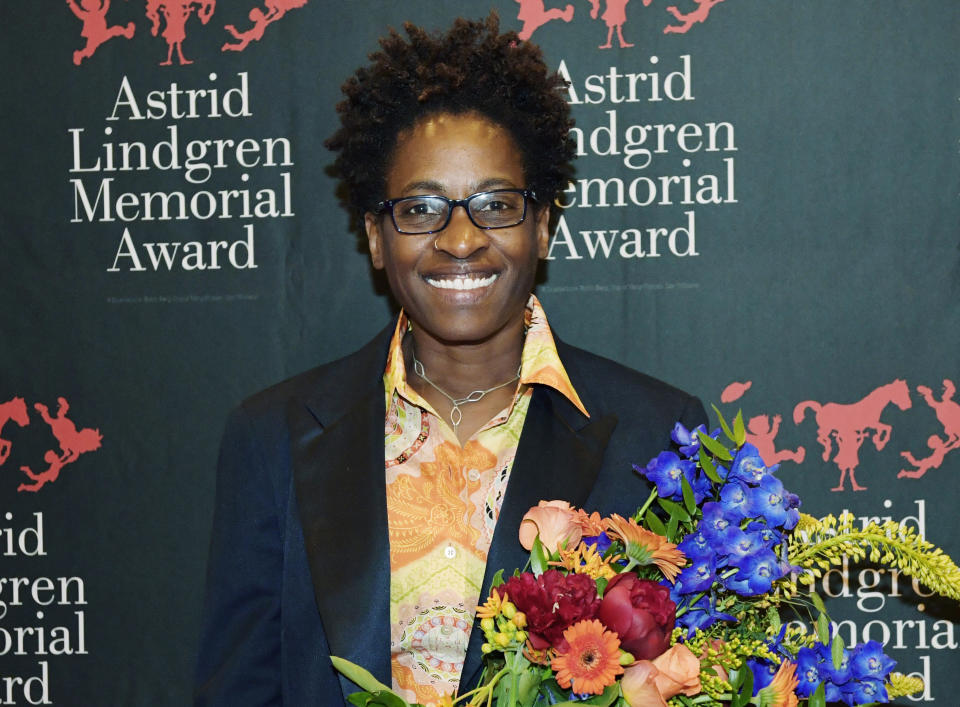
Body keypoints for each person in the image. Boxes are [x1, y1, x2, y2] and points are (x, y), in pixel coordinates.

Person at [194, 14, 705, 707]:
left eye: (495, 204)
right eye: (421, 208)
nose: (460, 239)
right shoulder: (272, 437)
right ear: (376, 235)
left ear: (543, 224)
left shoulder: (658, 434)